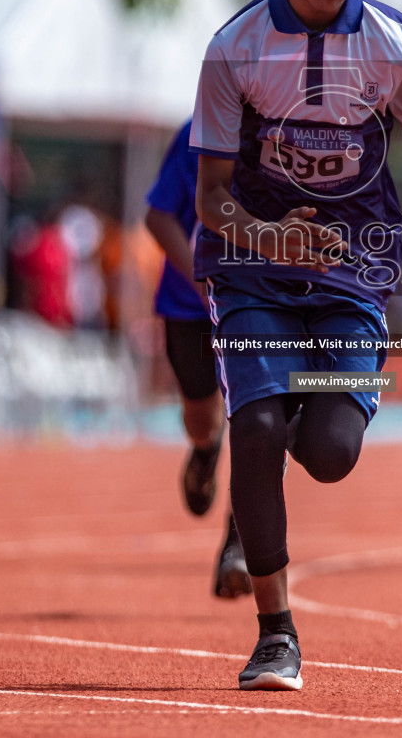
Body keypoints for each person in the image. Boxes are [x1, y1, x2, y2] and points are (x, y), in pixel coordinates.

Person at [191, 0, 402, 691]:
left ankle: (269, 476)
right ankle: (276, 632)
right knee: (257, 427)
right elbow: (209, 198)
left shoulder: (395, 46)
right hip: (250, 273)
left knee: (330, 451)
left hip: (356, 270)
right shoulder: (232, 50)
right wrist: (267, 239)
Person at [144, 118, 250, 600]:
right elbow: (158, 216)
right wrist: (199, 280)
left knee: (258, 421)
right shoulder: (197, 133)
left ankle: (239, 547)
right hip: (190, 305)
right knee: (204, 419)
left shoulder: (300, 134)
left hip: (257, 307)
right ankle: (206, 451)